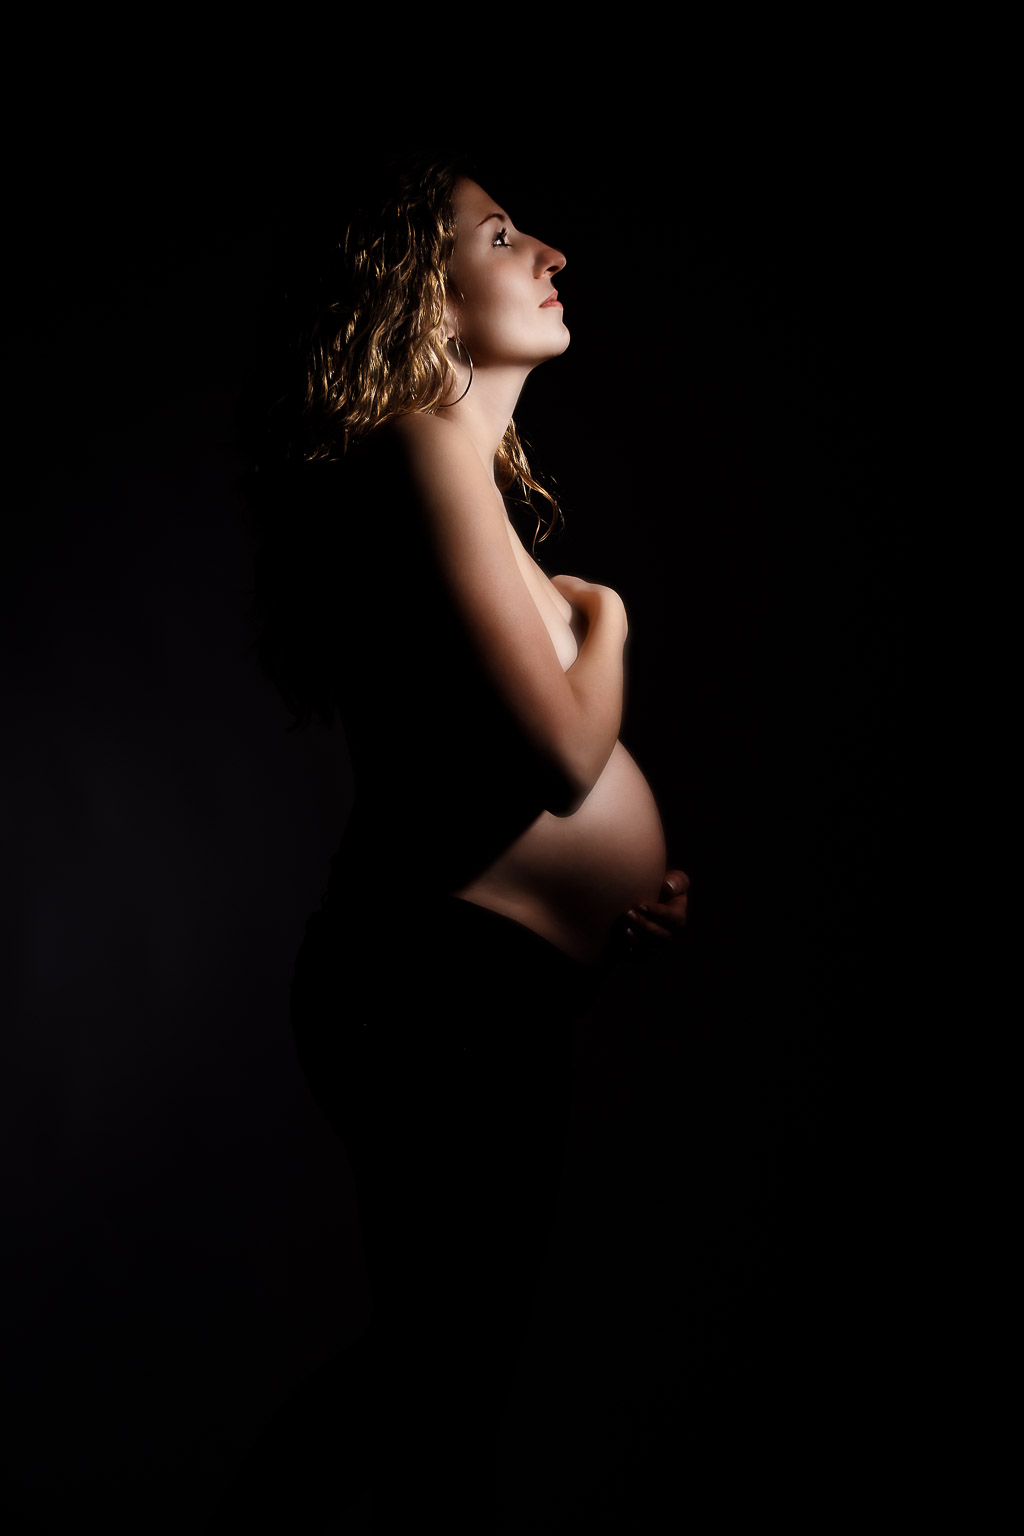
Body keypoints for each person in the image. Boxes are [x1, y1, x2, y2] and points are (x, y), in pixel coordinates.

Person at [240, 154, 689, 1533]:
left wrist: (620, 891)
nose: (549, 252)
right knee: (442, 1381)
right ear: (415, 296)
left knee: (452, 1378)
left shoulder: (455, 482)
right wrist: (611, 620)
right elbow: (564, 760)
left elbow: (478, 776)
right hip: (436, 996)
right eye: (500, 237)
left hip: (477, 990)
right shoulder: (421, 445)